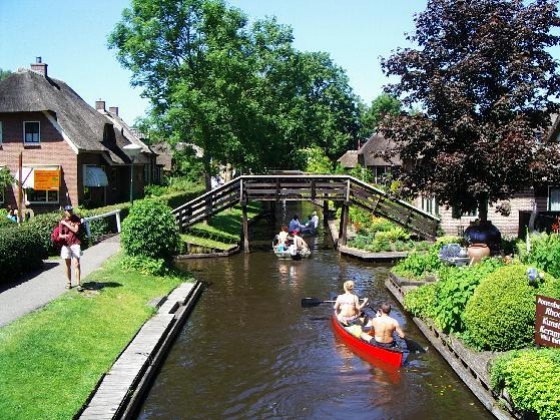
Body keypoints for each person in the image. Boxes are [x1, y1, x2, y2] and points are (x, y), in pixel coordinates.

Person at [59, 205, 83, 292]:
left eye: (71, 210)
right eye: (68, 211)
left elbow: (76, 230)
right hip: (66, 245)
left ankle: (78, 284)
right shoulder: (62, 221)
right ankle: (69, 283)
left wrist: (66, 224)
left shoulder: (76, 219)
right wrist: (63, 235)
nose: (70, 212)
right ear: (65, 211)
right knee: (67, 264)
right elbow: (60, 234)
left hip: (75, 243)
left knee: (76, 264)